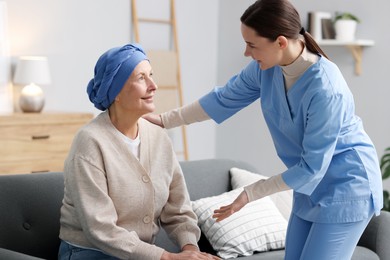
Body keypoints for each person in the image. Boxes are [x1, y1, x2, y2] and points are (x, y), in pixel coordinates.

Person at [144, 0, 384, 259]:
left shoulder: (326, 88)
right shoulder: (266, 70)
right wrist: (164, 120)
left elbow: (312, 168)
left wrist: (250, 193)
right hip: (307, 188)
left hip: (347, 186)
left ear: (280, 42)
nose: (247, 53)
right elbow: (223, 98)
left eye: (252, 45)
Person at [58, 43, 220, 260]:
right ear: (115, 91)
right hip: (90, 252)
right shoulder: (90, 142)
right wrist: (169, 258)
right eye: (141, 78)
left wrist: (190, 249)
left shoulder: (159, 137)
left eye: (151, 75)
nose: (153, 85)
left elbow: (178, 209)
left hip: (140, 255)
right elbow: (101, 229)